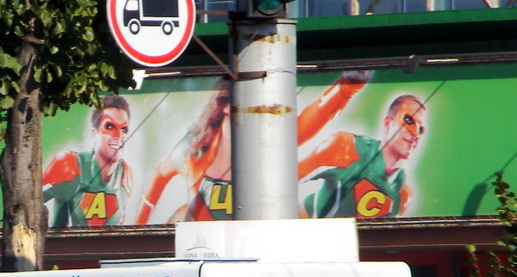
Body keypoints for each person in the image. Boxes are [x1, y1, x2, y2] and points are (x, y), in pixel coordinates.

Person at [135, 71, 372, 224]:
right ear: (225, 105)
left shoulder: (264, 141)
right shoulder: (194, 148)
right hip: (196, 249)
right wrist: (139, 229)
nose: (256, 112)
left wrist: (344, 88)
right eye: (248, 103)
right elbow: (159, 173)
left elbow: (303, 124)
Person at [299, 93, 427, 219]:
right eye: (409, 121)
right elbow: (290, 176)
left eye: (421, 129)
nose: (415, 134)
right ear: (388, 124)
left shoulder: (403, 195)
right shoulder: (347, 148)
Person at [43, 95, 134, 227]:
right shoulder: (70, 165)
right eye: (109, 127)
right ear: (95, 133)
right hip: (66, 246)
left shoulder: (126, 175)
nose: (118, 136)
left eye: (123, 129)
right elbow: (26, 200)